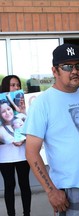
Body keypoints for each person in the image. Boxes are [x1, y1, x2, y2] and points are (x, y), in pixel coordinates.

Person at [23, 43, 79, 215]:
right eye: (67, 66)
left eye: (78, 66)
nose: (74, 71)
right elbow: (31, 151)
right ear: (54, 71)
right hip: (69, 189)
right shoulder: (43, 103)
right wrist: (51, 190)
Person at [0, 75, 31, 216]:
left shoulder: (24, 108)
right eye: (12, 85)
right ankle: (11, 213)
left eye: (18, 85)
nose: (16, 87)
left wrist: (23, 139)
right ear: (6, 86)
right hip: (5, 155)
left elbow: (32, 127)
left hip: (23, 153)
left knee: (25, 185)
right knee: (9, 186)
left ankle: (27, 213)